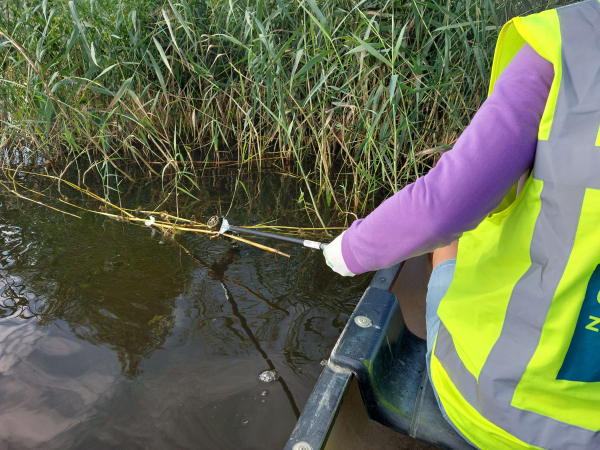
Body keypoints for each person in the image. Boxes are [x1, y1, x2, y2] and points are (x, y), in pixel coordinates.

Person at [323, 1, 600, 449]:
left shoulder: (574, 42)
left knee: (450, 239)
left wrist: (346, 250)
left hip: (495, 407)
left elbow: (441, 210)